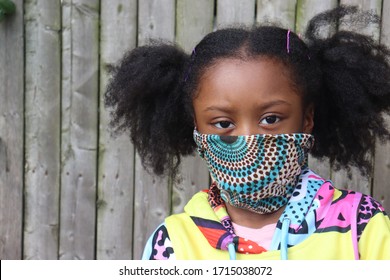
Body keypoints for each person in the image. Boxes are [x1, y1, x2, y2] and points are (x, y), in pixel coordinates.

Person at [104, 6, 390, 260]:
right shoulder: (174, 245)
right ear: (196, 129)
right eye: (223, 123)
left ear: (307, 119)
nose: (248, 139)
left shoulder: (362, 229)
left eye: (271, 118)